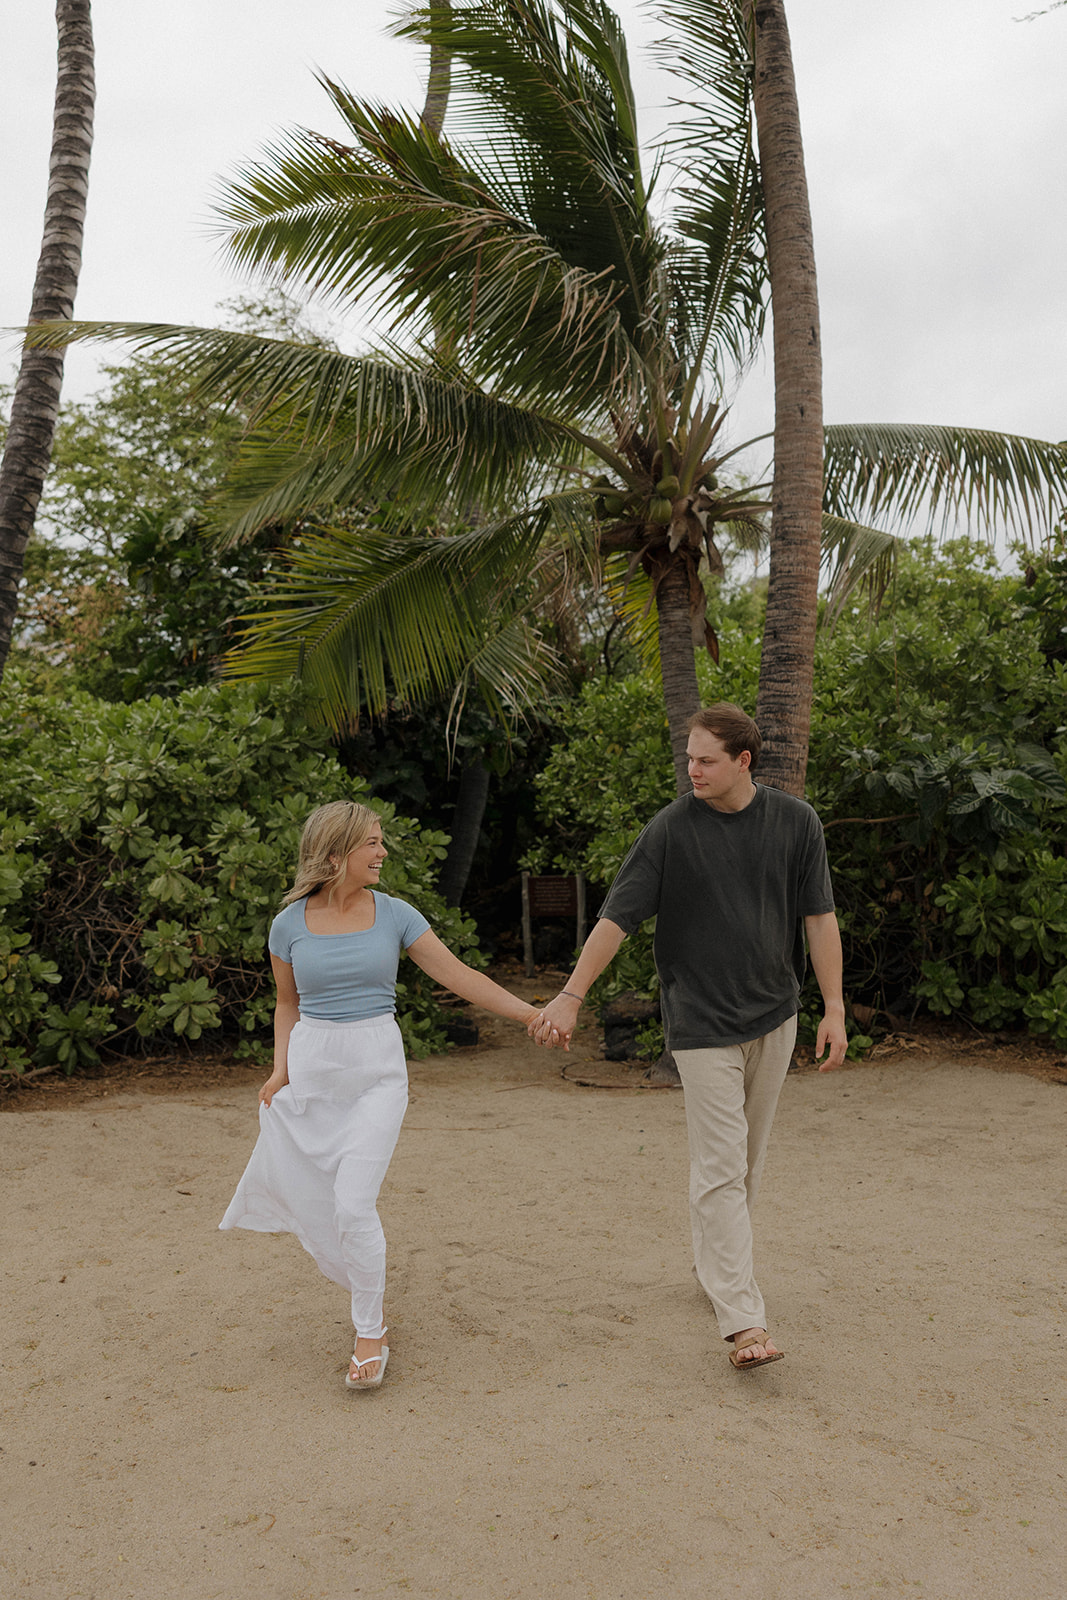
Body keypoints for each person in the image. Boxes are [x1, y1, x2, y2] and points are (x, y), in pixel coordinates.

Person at [529, 704, 847, 1371]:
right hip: (699, 1025)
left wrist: (835, 1008)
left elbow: (818, 920)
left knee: (745, 1166)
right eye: (688, 758)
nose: (691, 770)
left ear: (742, 761)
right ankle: (743, 1321)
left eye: (704, 760)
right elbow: (616, 920)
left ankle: (716, 1274)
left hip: (775, 1016)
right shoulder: (670, 831)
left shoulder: (796, 823)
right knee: (720, 1167)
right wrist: (571, 994)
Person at [220, 799, 539, 1390]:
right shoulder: (287, 924)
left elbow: (459, 975)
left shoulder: (394, 914)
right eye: (372, 842)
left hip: (377, 1074)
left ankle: (370, 1329)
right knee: (323, 1202)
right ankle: (368, 1298)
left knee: (352, 1205)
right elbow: (286, 1003)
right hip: (315, 1071)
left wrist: (531, 1015)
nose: (382, 851)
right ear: (335, 852)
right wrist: (279, 1070)